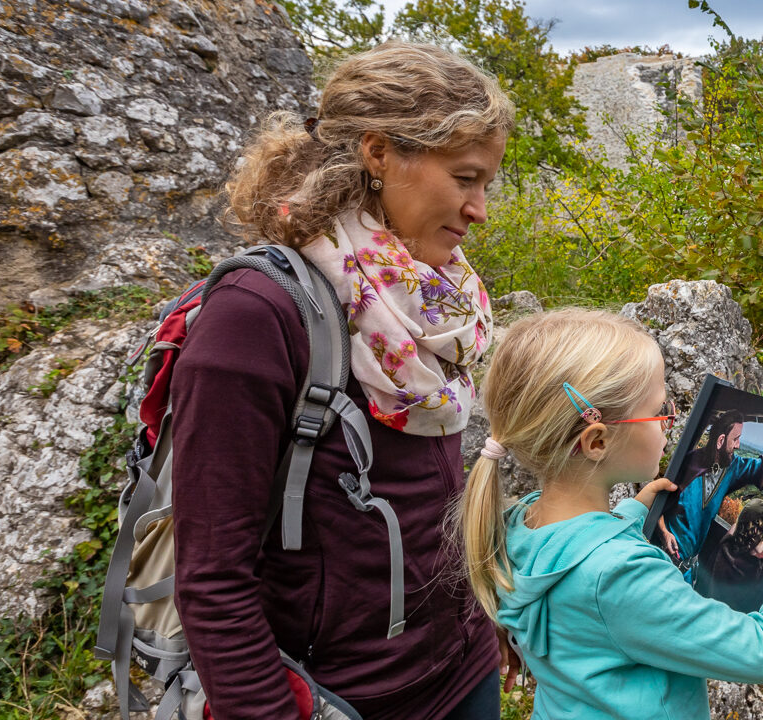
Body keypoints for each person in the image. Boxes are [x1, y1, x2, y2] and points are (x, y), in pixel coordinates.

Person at [171, 42, 513, 718]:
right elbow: (212, 579)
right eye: (466, 178)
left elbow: (426, 497)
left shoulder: (429, 297)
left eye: (486, 184)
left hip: (462, 668)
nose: (479, 209)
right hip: (348, 698)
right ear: (380, 152)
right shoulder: (257, 315)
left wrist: (489, 615)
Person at [459, 308, 763, 719]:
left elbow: (578, 548)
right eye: (659, 412)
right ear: (597, 441)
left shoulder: (523, 523)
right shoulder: (620, 575)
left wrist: (633, 513)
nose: (670, 423)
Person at [655, 411, 763, 577]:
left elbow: (756, 466)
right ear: (720, 441)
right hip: (660, 558)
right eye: (735, 439)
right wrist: (664, 533)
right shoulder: (689, 464)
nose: (738, 445)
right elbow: (659, 503)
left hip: (686, 572)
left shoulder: (732, 467)